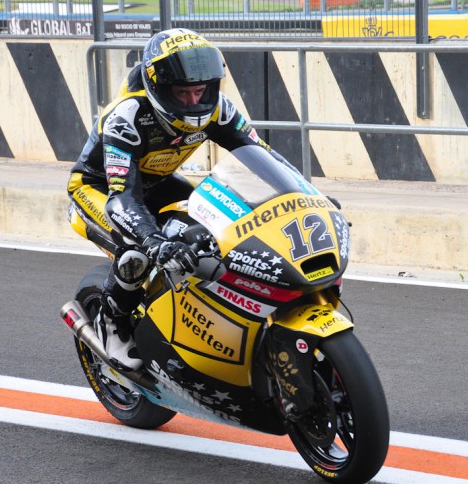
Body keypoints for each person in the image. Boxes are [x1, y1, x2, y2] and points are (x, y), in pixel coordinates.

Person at [67, 28, 299, 371]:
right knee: (140, 249)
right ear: (159, 88)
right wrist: (153, 239)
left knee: (218, 228)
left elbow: (262, 156)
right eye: (182, 92)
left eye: (199, 91)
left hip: (157, 182)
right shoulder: (127, 116)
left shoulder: (218, 109)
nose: (193, 101)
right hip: (101, 188)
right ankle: (111, 322)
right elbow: (123, 197)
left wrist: (302, 194)